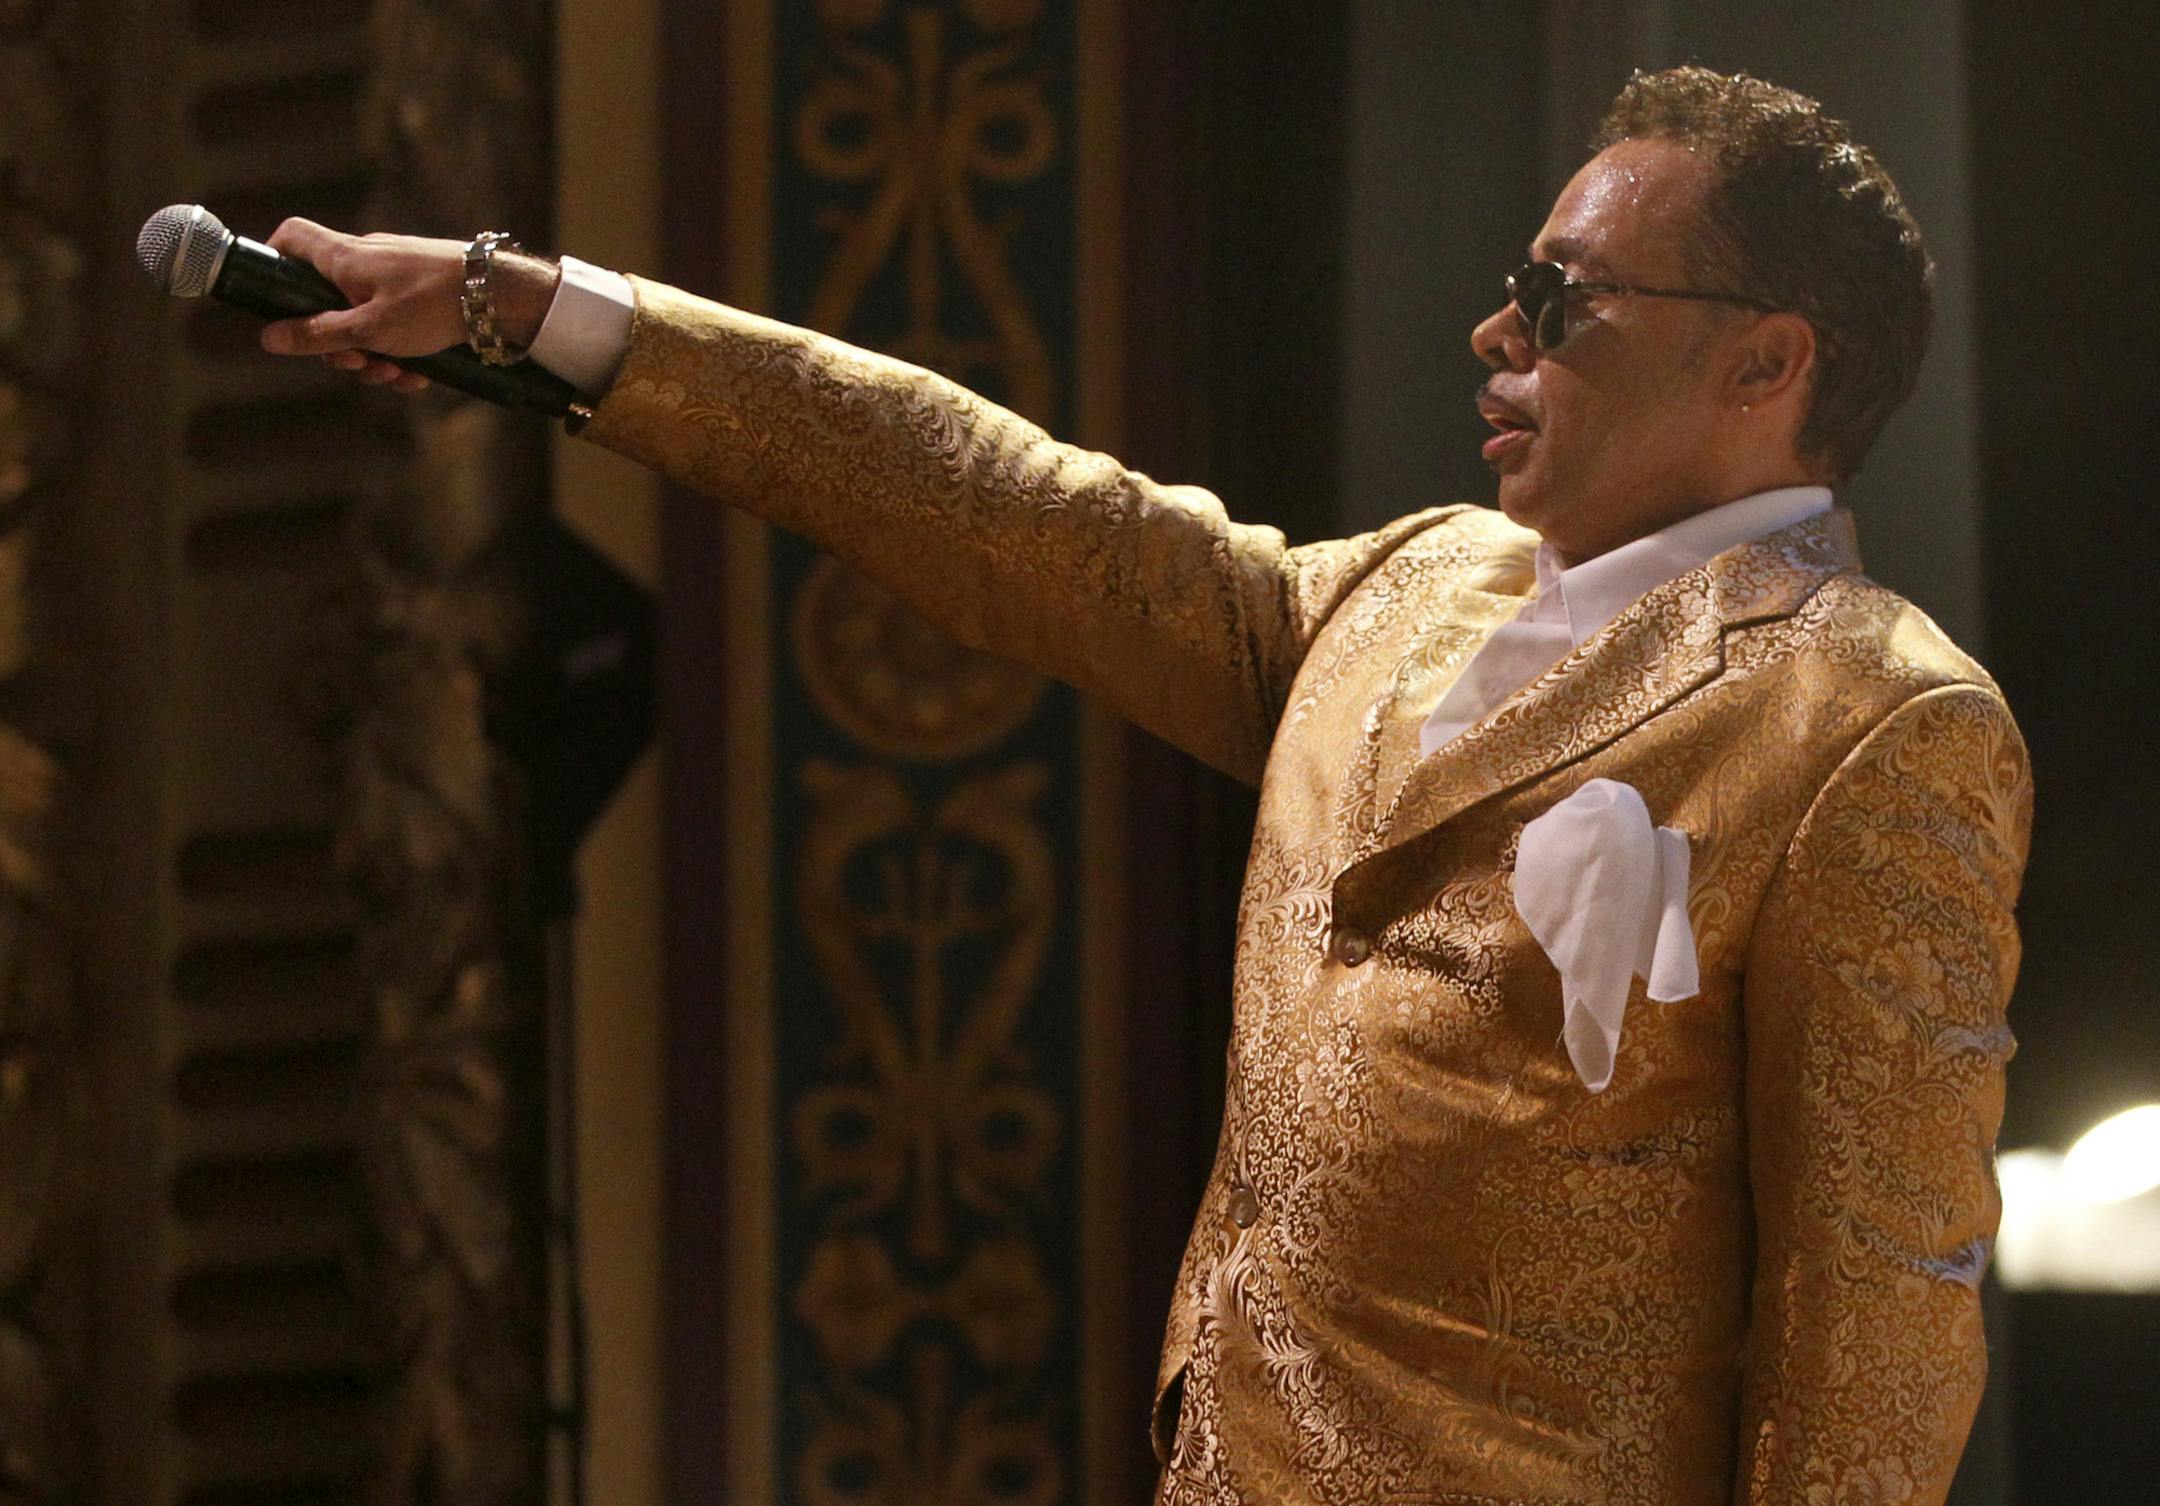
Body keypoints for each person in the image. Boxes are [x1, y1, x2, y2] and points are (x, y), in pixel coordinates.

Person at [259, 66, 2029, 1506]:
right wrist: (553, 313)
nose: (1500, 328)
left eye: (1564, 297)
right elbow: (1002, 505)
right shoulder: (1406, 586)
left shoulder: (1874, 718)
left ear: (1767, 361)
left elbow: (1874, 1327)